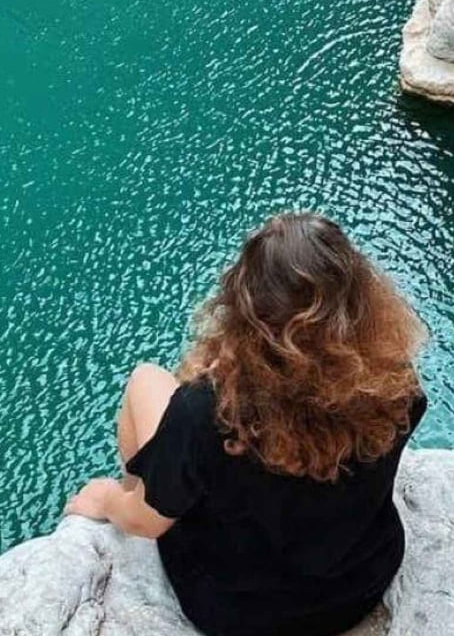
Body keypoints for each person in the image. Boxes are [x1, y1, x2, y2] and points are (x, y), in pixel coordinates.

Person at [65, 212, 428, 636]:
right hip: (358, 584)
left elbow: (148, 524)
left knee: (145, 380)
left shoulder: (208, 412)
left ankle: (144, 486)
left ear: (245, 309)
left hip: (241, 613)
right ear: (361, 298)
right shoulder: (392, 383)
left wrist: (107, 500)